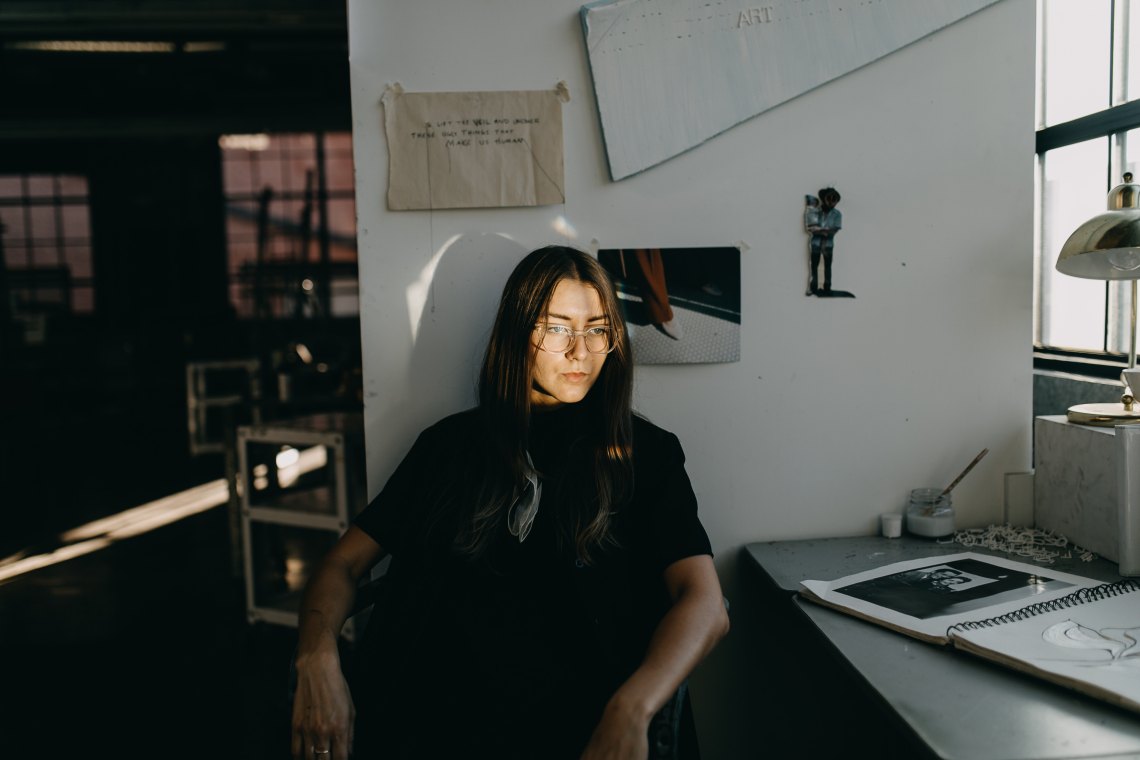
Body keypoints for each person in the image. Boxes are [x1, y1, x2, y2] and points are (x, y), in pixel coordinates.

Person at [290, 245, 730, 760]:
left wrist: (630, 710)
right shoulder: (449, 447)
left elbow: (706, 605)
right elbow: (342, 564)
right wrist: (316, 657)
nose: (580, 352)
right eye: (558, 327)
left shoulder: (644, 456)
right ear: (518, 332)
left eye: (596, 328)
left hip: (579, 730)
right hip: (441, 725)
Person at [804, 187, 842, 294]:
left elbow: (834, 230)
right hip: (815, 243)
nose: (831, 202)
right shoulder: (815, 211)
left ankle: (827, 287)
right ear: (823, 199)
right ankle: (813, 287)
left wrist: (819, 229)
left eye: (834, 199)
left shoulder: (837, 214)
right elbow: (811, 228)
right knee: (814, 265)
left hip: (828, 244)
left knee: (827, 265)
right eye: (829, 198)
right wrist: (825, 231)